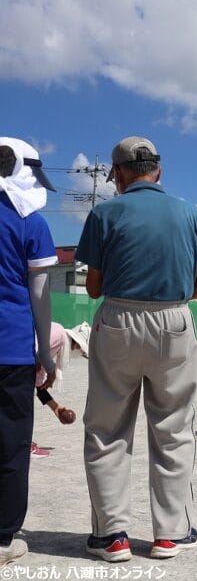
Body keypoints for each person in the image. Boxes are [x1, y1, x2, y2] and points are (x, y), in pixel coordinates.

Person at [75, 136, 197, 562]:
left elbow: (94, 285)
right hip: (174, 318)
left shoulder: (104, 212)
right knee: (174, 427)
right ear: (159, 169)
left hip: (118, 317)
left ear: (117, 174)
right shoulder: (190, 213)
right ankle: (170, 534)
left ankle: (111, 535)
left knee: (106, 428)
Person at [0, 137, 58, 566]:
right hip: (12, 345)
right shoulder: (30, 223)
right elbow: (39, 294)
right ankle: (3, 537)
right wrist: (47, 353)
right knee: (11, 443)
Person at [31, 322, 90, 457]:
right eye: (82, 352)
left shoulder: (56, 349)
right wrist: (37, 363)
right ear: (77, 345)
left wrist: (55, 407)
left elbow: (38, 385)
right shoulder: (58, 334)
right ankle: (22, 445)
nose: (79, 354)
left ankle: (19, 443)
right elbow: (29, 347)